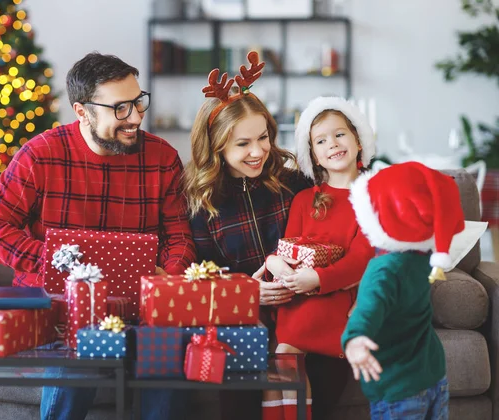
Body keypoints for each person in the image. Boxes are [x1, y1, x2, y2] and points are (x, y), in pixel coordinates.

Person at [0, 52, 196, 420]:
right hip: (62, 309)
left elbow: (179, 237)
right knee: (79, 358)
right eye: (120, 108)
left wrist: (168, 278)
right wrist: (56, 262)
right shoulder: (40, 155)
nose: (136, 117)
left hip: (140, 308)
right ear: (82, 112)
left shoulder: (161, 157)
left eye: (138, 102)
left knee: (167, 363)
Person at [183, 51, 311, 420]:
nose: (258, 152)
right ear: (216, 145)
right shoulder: (200, 201)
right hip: (240, 313)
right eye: (242, 144)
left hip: (300, 306)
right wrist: (248, 291)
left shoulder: (292, 183)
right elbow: (200, 273)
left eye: (263, 137)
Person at [264, 96, 376, 420]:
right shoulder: (303, 200)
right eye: (321, 140)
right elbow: (287, 247)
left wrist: (319, 279)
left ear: (357, 140)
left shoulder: (370, 199)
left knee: (284, 353)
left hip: (336, 297)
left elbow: (361, 258)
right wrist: (274, 264)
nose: (333, 144)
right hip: (296, 294)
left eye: (340, 134)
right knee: (284, 355)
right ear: (313, 154)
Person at [342, 161, 464, 420]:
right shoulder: (423, 258)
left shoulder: (382, 270)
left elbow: (369, 308)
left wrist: (354, 338)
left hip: (398, 385)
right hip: (433, 375)